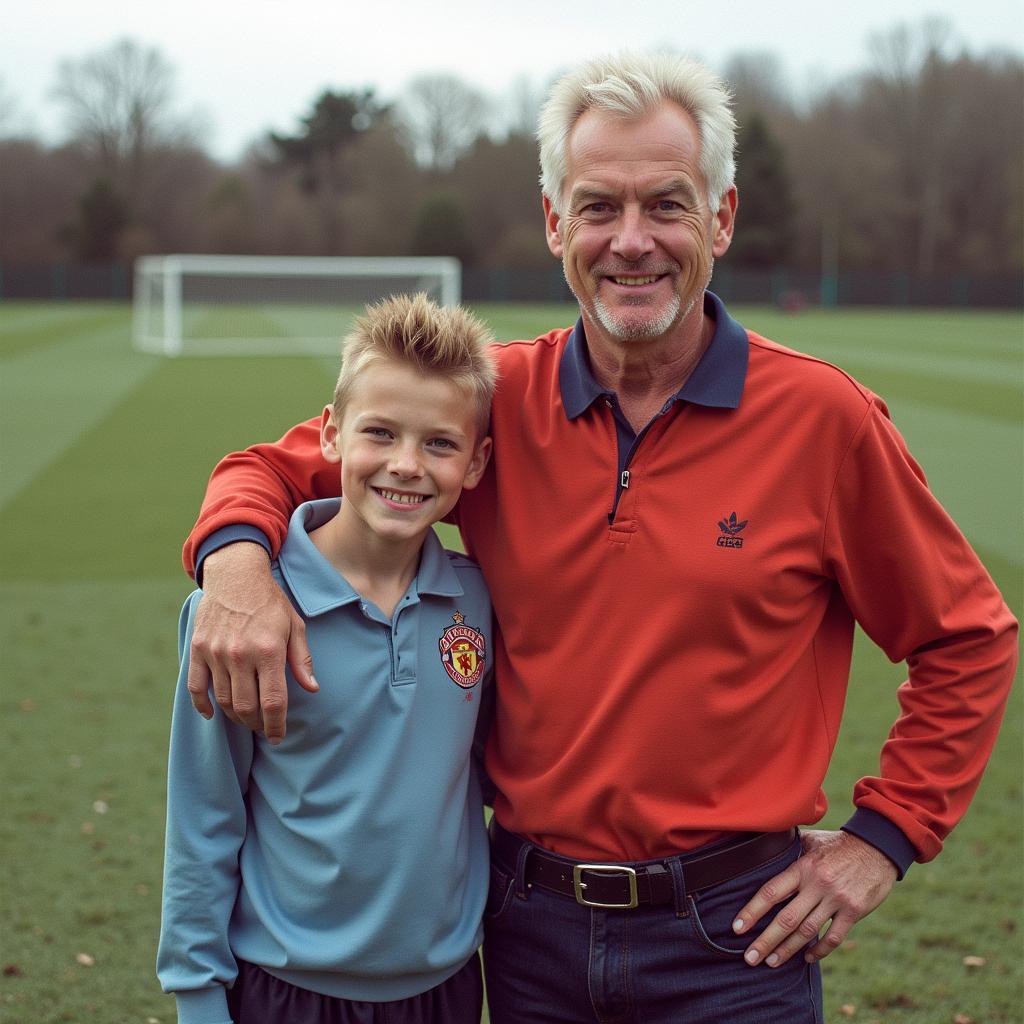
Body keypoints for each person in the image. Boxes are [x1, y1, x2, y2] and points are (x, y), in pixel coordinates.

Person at [180, 53, 1018, 1023]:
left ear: (722, 217)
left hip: (736, 939)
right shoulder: (485, 402)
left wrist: (886, 836)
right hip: (522, 929)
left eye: (666, 204)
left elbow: (966, 637)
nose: (630, 242)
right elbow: (268, 469)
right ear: (552, 223)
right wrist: (237, 565)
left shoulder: (822, 419)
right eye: (595, 207)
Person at [158, 293, 498, 1024]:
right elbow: (203, 817)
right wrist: (197, 998)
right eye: (380, 433)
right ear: (332, 436)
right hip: (284, 991)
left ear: (476, 464)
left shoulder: (479, 604)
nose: (406, 465)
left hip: (444, 990)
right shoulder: (240, 617)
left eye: (440, 443)